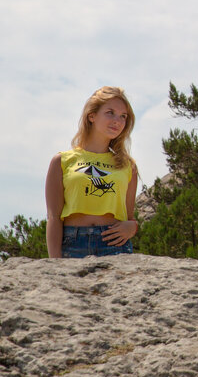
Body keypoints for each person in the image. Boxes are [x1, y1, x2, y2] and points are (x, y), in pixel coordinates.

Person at [45, 86, 141, 258]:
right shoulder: (62, 161)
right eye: (110, 112)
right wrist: (54, 264)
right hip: (72, 244)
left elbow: (129, 217)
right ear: (92, 116)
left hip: (114, 245)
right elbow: (53, 217)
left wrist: (132, 227)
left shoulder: (127, 166)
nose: (117, 121)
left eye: (123, 116)